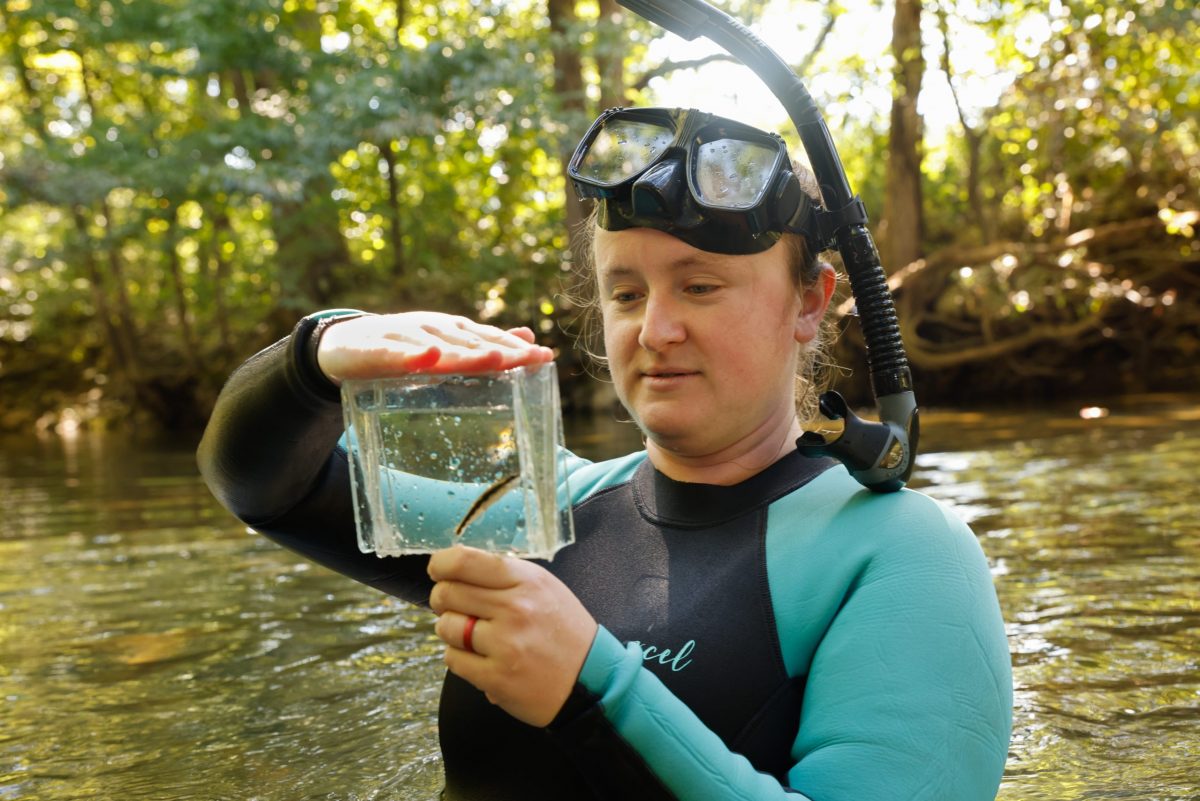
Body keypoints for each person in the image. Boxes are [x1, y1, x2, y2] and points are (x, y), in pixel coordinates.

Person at [198, 106, 1012, 800]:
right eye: (627, 292)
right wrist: (317, 356)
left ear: (810, 301)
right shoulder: (536, 509)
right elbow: (258, 484)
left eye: (699, 286)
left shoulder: (903, 553)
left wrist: (594, 690)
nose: (655, 330)